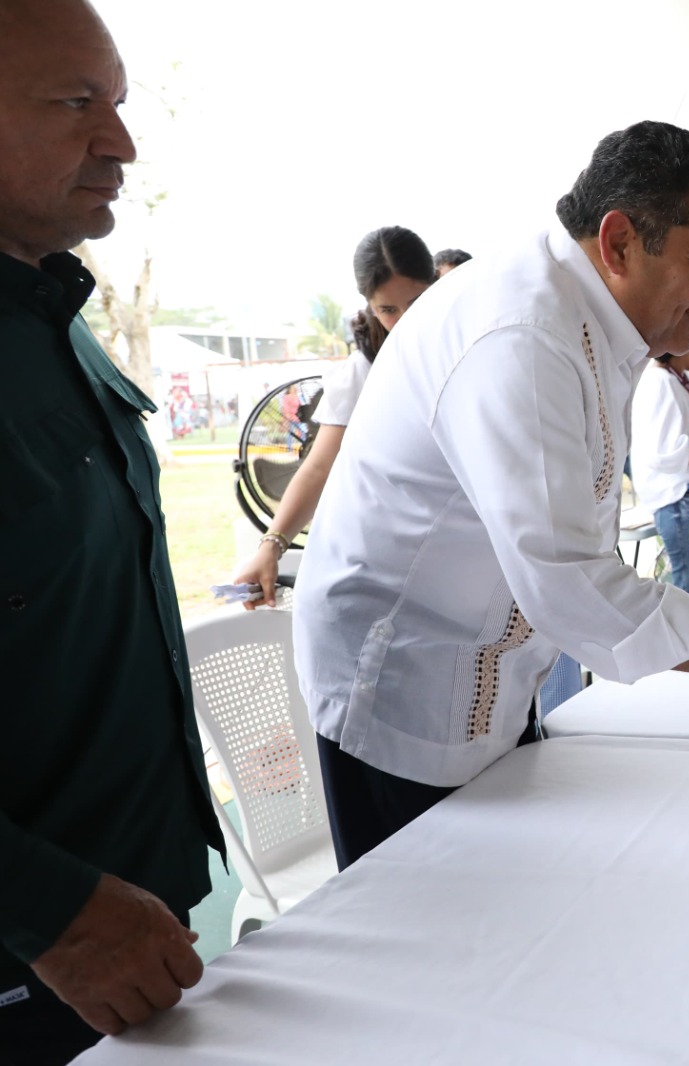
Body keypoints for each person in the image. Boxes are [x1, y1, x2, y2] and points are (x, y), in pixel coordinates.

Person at [293, 122, 689, 870]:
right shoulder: (523, 331)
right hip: (407, 689)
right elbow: (572, 580)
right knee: (429, 937)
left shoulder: (583, 314)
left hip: (489, 674)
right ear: (618, 244)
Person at [0, 1, 224, 1058]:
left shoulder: (50, 316)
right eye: (75, 102)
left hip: (138, 923)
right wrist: (49, 908)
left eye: (121, 104)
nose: (122, 142)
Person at [232, 226, 434, 606]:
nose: (406, 319)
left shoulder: (469, 348)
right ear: (369, 306)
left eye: (418, 301)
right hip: (391, 562)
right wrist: (271, 546)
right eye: (388, 309)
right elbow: (318, 467)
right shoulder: (361, 374)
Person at [629, 310, 689, 601]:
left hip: (687, 494)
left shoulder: (677, 379)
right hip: (678, 498)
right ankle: (688, 648)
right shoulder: (660, 382)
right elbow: (664, 453)